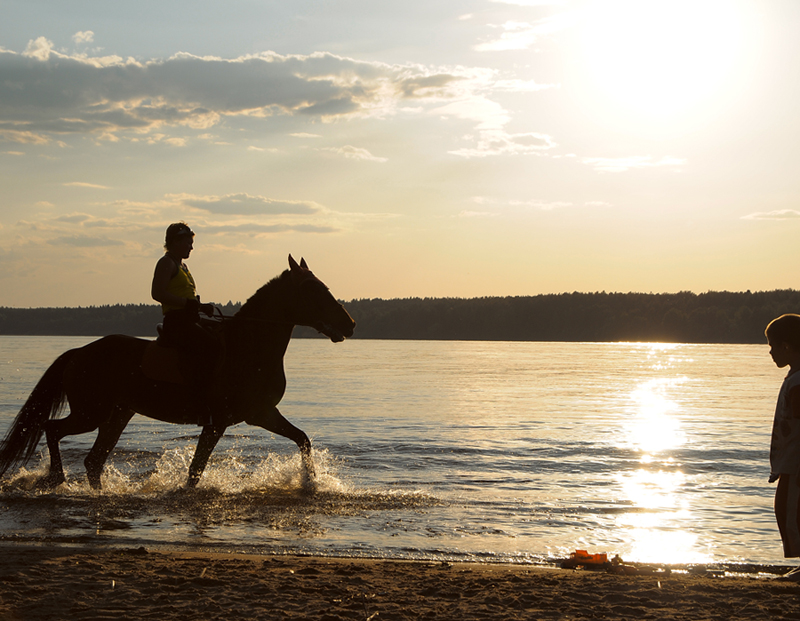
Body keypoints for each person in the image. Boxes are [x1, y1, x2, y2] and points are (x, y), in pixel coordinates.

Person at [151, 222, 219, 426]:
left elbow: (186, 299)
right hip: (177, 323)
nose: (191, 247)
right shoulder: (166, 263)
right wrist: (188, 304)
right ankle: (197, 404)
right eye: (188, 243)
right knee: (211, 348)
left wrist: (200, 307)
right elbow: (157, 293)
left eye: (192, 243)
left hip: (189, 319)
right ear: (175, 242)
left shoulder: (183, 266)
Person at [765, 313, 800, 581]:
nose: (771, 352)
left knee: (792, 512)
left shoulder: (798, 383)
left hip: (796, 464)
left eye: (773, 345)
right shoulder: (794, 377)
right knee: (787, 511)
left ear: (787, 346)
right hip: (789, 462)